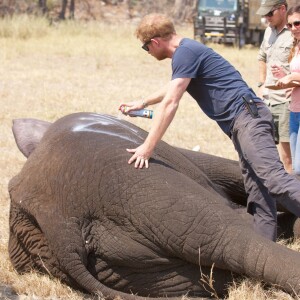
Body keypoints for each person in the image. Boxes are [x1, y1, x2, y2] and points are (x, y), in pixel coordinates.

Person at [118, 13, 300, 242]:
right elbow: (173, 87)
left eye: (146, 48)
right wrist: (143, 103)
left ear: (155, 42)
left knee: (273, 179)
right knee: (257, 190)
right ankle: (265, 250)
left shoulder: (184, 53)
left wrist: (147, 147)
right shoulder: (186, 52)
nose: (149, 53)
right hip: (241, 122)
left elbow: (171, 102)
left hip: (248, 118)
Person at [257, 0, 294, 173]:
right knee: (269, 155)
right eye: (264, 14)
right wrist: (262, 84)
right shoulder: (268, 32)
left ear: (282, 9)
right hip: (268, 101)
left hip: (287, 102)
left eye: (270, 13)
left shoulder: (294, 31)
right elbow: (262, 57)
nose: (266, 18)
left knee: (288, 158)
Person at [272, 5, 300, 174]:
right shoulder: (295, 48)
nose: (293, 28)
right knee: (295, 170)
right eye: (289, 25)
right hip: (294, 110)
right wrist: (284, 76)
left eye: (297, 23)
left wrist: (290, 78)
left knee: (299, 168)